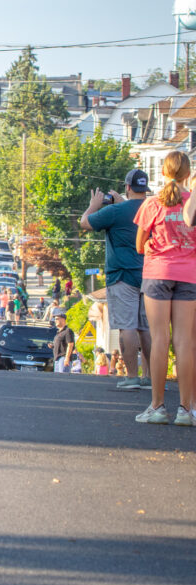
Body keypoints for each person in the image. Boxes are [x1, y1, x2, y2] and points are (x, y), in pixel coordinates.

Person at [134, 151, 196, 425]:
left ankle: (157, 407)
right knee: (185, 342)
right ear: (188, 174)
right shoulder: (193, 202)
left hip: (158, 274)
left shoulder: (152, 203)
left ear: (164, 172)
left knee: (159, 339)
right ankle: (186, 409)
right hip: (189, 275)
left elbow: (139, 244)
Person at [80, 169, 153, 392]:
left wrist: (95, 204)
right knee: (146, 328)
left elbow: (85, 223)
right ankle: (149, 377)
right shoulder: (154, 208)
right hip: (151, 275)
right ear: (145, 189)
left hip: (122, 276)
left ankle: (131, 376)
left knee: (127, 327)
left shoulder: (115, 210)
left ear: (127, 187)